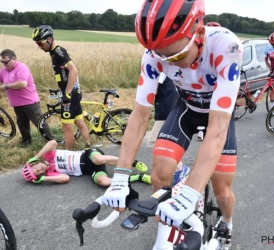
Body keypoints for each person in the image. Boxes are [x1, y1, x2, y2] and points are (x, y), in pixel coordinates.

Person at [102, 0, 242, 249]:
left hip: (217, 115)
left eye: (175, 55)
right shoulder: (155, 53)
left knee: (222, 192)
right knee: (160, 175)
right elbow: (139, 115)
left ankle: (227, 224)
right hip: (186, 110)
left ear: (198, 33)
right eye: (160, 56)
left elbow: (218, 126)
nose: (168, 62)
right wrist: (121, 176)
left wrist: (190, 192)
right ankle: (171, 227)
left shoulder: (226, 46)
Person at [32, 25, 90, 150]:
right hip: (72, 92)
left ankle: (69, 154)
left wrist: (67, 94)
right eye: (37, 44)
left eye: (40, 43)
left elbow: (74, 71)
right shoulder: (53, 53)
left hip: (71, 95)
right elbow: (64, 75)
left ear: (49, 40)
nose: (39, 46)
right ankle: (88, 147)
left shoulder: (58, 52)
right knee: (79, 122)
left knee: (67, 127)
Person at [21, 140, 151, 186]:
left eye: (36, 168)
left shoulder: (47, 154)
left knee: (99, 159)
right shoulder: (51, 173)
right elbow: (65, 178)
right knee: (103, 182)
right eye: (38, 173)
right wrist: (45, 178)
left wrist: (35, 157)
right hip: (89, 170)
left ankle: (131, 162)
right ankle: (138, 177)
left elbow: (53, 143)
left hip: (88, 155)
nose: (40, 169)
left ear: (34, 164)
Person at [0, 49, 52, 147]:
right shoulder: (4, 70)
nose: (4, 64)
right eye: (1, 62)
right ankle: (26, 142)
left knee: (39, 122)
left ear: (14, 59)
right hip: (16, 103)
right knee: (22, 123)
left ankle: (51, 141)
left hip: (29, 101)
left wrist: (6, 86)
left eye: (6, 62)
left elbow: (23, 83)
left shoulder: (21, 68)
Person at [147, 72, 190, 187]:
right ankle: (171, 170)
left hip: (166, 115)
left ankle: (181, 169)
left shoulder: (161, 72)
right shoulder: (168, 73)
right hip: (166, 113)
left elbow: (152, 90)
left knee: (152, 143)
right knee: (162, 145)